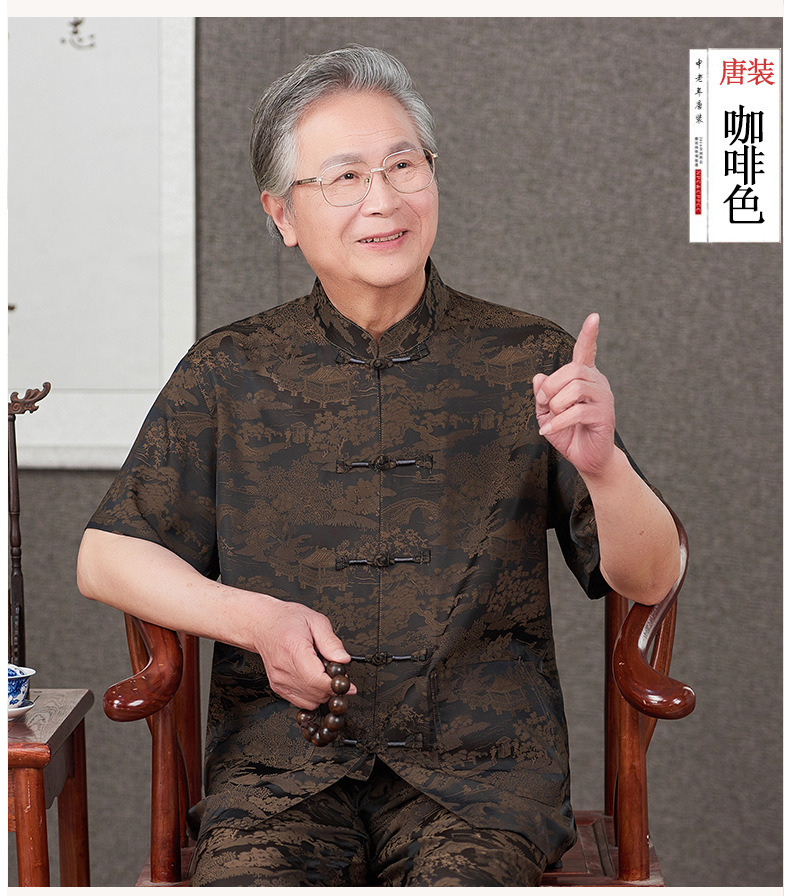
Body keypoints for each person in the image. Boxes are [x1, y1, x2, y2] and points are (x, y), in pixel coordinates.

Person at [77, 45, 680, 887]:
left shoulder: (528, 360)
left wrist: (605, 467)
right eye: (346, 176)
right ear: (282, 214)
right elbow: (105, 556)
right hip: (280, 780)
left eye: (404, 165)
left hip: (481, 786)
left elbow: (650, 576)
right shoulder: (230, 371)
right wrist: (257, 621)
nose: (384, 199)